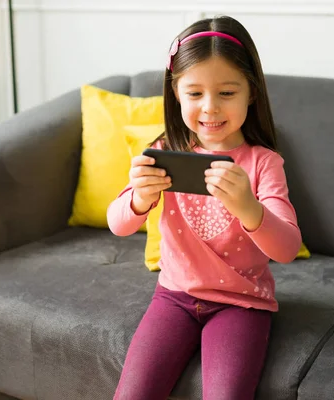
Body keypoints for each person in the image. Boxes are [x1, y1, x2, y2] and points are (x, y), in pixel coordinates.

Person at [107, 15, 302, 400]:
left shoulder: (263, 163)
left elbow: (287, 249)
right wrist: (139, 199)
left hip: (241, 303)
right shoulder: (165, 152)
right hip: (173, 297)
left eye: (226, 93)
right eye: (194, 94)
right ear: (176, 94)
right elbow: (119, 224)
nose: (209, 108)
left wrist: (250, 209)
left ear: (251, 93)